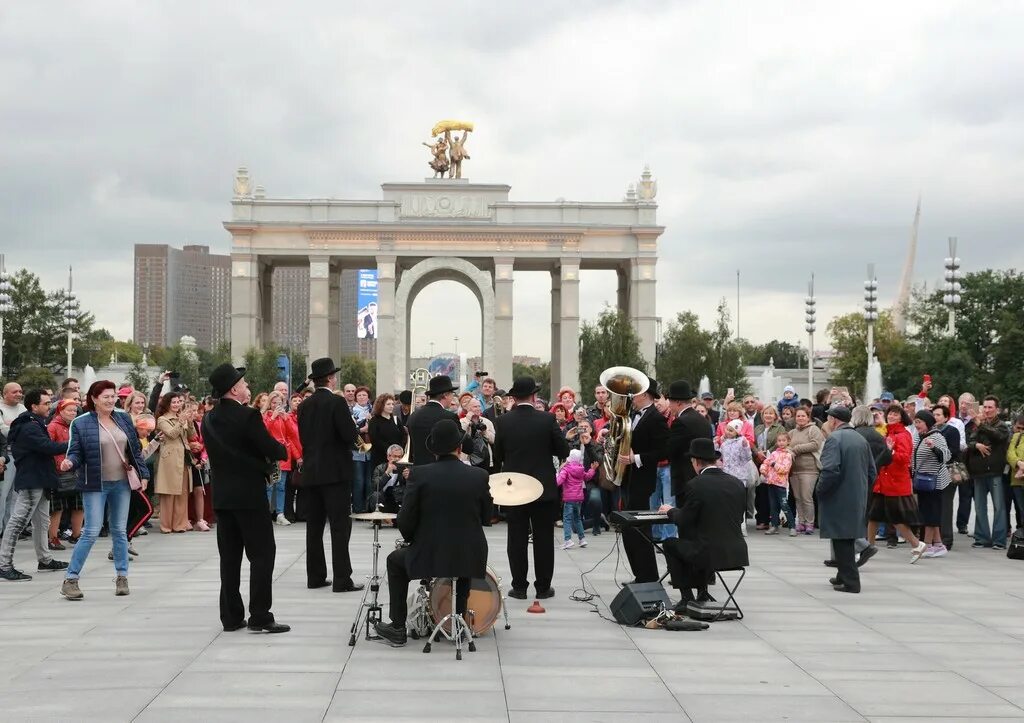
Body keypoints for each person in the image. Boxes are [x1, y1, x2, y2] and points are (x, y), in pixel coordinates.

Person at [373, 419, 492, 646]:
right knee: (462, 561)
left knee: (395, 561)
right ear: (459, 448)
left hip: (430, 555)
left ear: (434, 451)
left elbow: (406, 519)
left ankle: (397, 626)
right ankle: (458, 621)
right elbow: (487, 517)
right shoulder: (479, 476)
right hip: (470, 555)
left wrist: (411, 540)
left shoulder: (420, 474)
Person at [201, 364, 289, 633]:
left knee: (229, 558)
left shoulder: (208, 419)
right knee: (262, 554)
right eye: (244, 382)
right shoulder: (247, 416)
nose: (247, 386)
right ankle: (260, 615)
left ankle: (230, 616)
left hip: (223, 497)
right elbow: (268, 446)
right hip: (249, 496)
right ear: (234, 389)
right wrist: (282, 450)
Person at [58, 381, 151, 600]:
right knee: (90, 531)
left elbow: (135, 451)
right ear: (94, 399)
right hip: (95, 483)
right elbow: (76, 452)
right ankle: (70, 579)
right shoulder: (81, 423)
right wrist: (69, 462)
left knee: (119, 531)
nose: (111, 400)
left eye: (113, 396)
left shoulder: (123, 419)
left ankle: (122, 576)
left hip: (122, 483)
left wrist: (143, 474)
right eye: (106, 397)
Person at [493, 376, 570, 600]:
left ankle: (519, 587)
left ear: (514, 398)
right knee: (544, 538)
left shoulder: (504, 421)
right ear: (534, 396)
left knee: (516, 538)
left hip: (514, 488)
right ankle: (543, 587)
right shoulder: (547, 420)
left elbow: (498, 455)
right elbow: (563, 449)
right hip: (542, 488)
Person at [296, 357, 363, 593]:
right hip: (335, 472)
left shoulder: (304, 405)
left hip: (312, 472)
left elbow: (303, 437)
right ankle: (342, 579)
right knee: (339, 526)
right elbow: (347, 434)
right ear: (331, 379)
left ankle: (315, 576)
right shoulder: (336, 403)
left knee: (313, 527)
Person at [658, 438, 748, 610]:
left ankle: (686, 598)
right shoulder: (736, 482)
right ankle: (702, 593)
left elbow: (684, 520)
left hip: (709, 553)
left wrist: (670, 510)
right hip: (736, 552)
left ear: (696, 461)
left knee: (671, 544)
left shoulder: (695, 485)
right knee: (697, 540)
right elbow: (738, 517)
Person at [0, 390, 70, 581]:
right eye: (46, 403)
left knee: (42, 522)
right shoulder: (29, 426)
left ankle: (45, 560)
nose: (50, 407)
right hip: (33, 480)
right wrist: (72, 443)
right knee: (18, 522)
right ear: (34, 406)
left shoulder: (34, 423)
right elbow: (47, 447)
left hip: (41, 478)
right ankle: (4, 565)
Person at [818, 406, 876, 593]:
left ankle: (851, 582)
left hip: (838, 495)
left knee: (842, 539)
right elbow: (872, 471)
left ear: (834, 420)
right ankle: (842, 576)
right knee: (845, 537)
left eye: (828, 419)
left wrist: (820, 490)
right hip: (857, 494)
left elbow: (830, 470)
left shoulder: (834, 438)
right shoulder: (860, 438)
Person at [616, 378, 669, 584]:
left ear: (646, 395)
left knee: (638, 529)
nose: (631, 397)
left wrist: (635, 458)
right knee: (629, 529)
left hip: (641, 480)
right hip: (629, 478)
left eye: (635, 393)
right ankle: (639, 574)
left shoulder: (656, 418)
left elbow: (663, 451)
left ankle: (647, 576)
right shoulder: (632, 415)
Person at [865, 406, 928, 562]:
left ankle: (916, 544)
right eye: (890, 413)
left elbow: (905, 458)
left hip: (894, 483)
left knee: (896, 518)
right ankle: (868, 546)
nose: (892, 416)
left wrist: (890, 451)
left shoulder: (903, 434)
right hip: (883, 482)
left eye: (895, 414)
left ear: (901, 417)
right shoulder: (889, 432)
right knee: (873, 516)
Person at [965, 395, 1010, 549]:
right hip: (978, 472)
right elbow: (969, 442)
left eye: (990, 407)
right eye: (985, 407)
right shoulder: (978, 425)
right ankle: (982, 538)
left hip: (995, 472)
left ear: (997, 409)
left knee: (999, 507)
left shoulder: (1002, 425)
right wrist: (976, 445)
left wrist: (980, 424)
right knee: (979, 507)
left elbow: (997, 436)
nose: (987, 410)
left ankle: (999, 540)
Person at [153, 392, 196, 534]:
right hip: (170, 459)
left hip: (183, 457)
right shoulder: (162, 419)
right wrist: (181, 421)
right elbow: (171, 434)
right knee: (169, 492)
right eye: (174, 402)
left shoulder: (180, 417)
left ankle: (180, 524)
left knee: (182, 492)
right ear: (167, 404)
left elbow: (191, 435)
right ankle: (166, 526)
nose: (177, 404)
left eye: (179, 402)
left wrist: (189, 422)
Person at [912, 410, 951, 558]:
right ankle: (939, 545)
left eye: (919, 422)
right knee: (928, 512)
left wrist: (934, 447)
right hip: (922, 481)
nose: (917, 425)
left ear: (927, 423)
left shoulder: (937, 436)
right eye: (915, 422)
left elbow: (946, 456)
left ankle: (927, 545)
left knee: (930, 513)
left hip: (935, 481)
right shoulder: (919, 436)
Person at [47, 399, 85, 551]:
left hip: (76, 471)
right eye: (69, 410)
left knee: (79, 505)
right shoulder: (53, 426)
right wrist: (59, 464)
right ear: (60, 410)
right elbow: (49, 448)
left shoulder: (76, 426)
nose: (73, 413)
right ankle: (53, 538)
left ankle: (76, 535)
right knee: (58, 508)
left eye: (75, 411)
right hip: (59, 472)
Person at [665, 380, 712, 501]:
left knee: (685, 516)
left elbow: (670, 450)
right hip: (703, 477)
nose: (669, 405)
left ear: (678, 402)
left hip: (685, 480)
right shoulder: (703, 420)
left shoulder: (681, 422)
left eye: (670, 402)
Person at [406, 376, 465, 465]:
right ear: (445, 395)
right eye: (452, 393)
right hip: (441, 470)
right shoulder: (450, 416)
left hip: (418, 470)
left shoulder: (413, 416)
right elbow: (466, 446)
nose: (453, 397)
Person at [263, 391, 299, 526]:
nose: (276, 405)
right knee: (269, 485)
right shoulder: (266, 416)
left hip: (283, 454)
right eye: (274, 403)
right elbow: (264, 432)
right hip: (271, 454)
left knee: (281, 486)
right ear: (269, 404)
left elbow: (292, 433)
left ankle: (280, 513)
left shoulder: (286, 416)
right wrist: (273, 417)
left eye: (279, 403)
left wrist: (285, 419)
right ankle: (266, 513)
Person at [788, 408, 824, 535]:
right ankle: (801, 522)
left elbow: (815, 445)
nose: (800, 418)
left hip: (809, 469)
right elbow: (786, 446)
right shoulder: (792, 432)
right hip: (794, 469)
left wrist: (796, 449)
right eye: (798, 416)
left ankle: (810, 523)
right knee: (798, 497)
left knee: (806, 497)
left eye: (803, 416)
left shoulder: (814, 430)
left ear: (808, 417)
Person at [0, 382, 27, 534]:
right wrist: (17, 428)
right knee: (3, 494)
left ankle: (9, 529)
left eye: (20, 391)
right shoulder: (0, 408)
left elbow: (28, 429)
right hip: (6, 457)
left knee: (16, 496)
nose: (19, 394)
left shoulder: (23, 408)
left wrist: (11, 426)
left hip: (21, 456)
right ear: (5, 394)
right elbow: (4, 433)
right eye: (15, 391)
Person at [753, 406, 785, 530]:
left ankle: (770, 519)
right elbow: (753, 442)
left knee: (770, 493)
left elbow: (780, 443)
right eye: (766, 413)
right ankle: (761, 519)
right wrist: (757, 453)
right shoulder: (758, 428)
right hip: (758, 462)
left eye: (771, 413)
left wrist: (766, 454)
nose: (768, 415)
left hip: (772, 464)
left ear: (775, 416)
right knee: (760, 493)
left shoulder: (780, 428)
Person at [557, 448, 594, 549]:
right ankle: (582, 539)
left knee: (567, 519)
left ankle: (568, 540)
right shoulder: (580, 468)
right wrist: (592, 469)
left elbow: (558, 482)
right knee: (577, 519)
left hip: (569, 498)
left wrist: (557, 473)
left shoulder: (566, 469)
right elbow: (587, 477)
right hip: (579, 498)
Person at [759, 430, 793, 534]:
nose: (781, 442)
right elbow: (766, 462)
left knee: (784, 505)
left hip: (781, 484)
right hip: (771, 482)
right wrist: (763, 470)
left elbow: (785, 469)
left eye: (783, 440)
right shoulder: (773, 453)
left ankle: (792, 526)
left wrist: (774, 464)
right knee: (773, 506)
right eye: (779, 440)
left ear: (788, 442)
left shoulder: (788, 455)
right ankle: (774, 525)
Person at [367, 393, 406, 472]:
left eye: (392, 404)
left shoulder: (395, 419)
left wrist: (398, 450)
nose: (391, 406)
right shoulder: (374, 421)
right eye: (388, 404)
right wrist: (390, 451)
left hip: (397, 457)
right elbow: (375, 439)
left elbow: (403, 436)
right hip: (380, 458)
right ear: (381, 405)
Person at [1008, 415, 1024, 534]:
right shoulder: (1016, 437)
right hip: (1017, 481)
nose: (1021, 431)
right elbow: (1010, 453)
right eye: (1019, 428)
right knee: (1021, 509)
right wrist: (1019, 463)